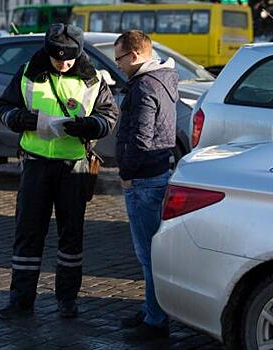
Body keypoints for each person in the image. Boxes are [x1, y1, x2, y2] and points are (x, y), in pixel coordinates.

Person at [0, 23, 118, 320]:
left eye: (69, 60)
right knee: (28, 235)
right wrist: (21, 119)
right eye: (57, 59)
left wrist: (90, 126)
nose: (63, 64)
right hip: (36, 163)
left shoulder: (92, 79)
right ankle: (21, 301)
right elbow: (4, 107)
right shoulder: (27, 72)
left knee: (71, 237)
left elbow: (110, 116)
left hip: (73, 166)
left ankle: (67, 299)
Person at [114, 30, 178, 340]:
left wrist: (126, 171)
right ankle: (152, 309)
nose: (118, 65)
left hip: (144, 179)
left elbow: (140, 137)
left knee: (147, 255)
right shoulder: (164, 78)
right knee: (151, 253)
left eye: (120, 58)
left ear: (135, 55)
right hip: (157, 173)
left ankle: (155, 320)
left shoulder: (144, 86)